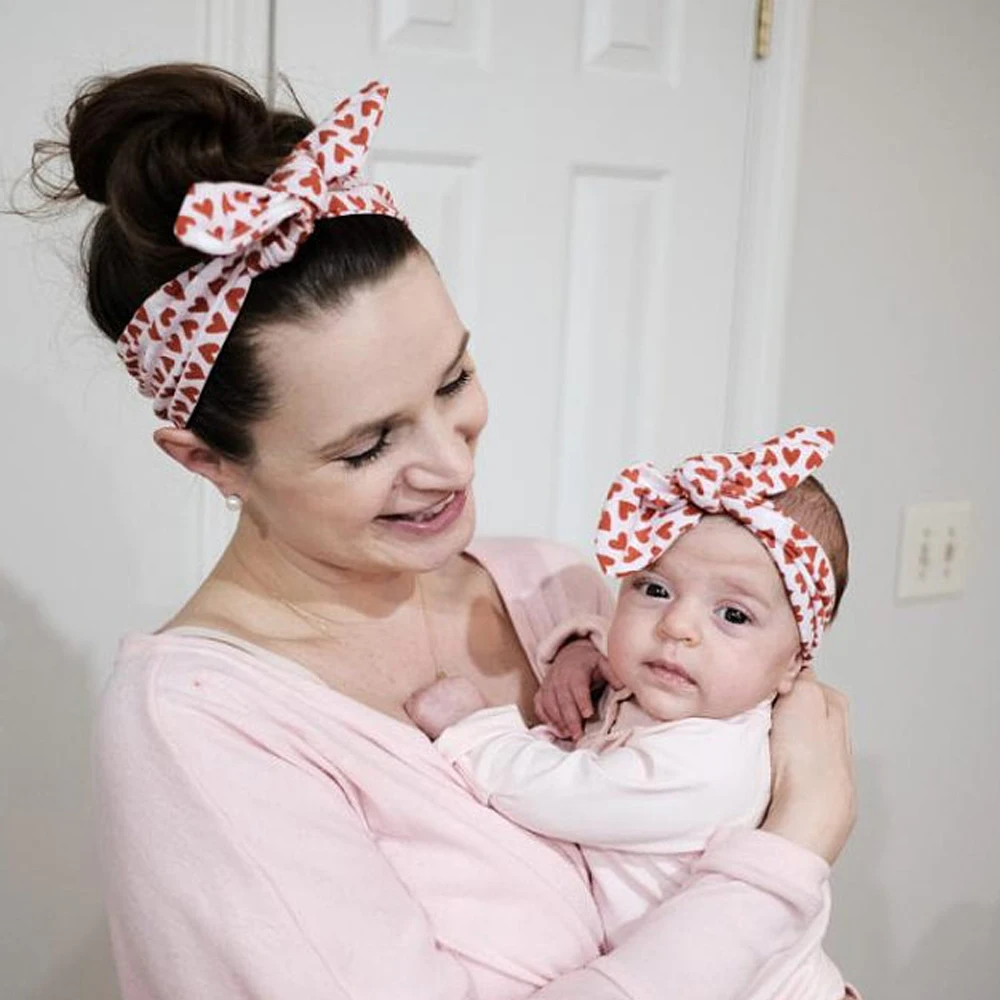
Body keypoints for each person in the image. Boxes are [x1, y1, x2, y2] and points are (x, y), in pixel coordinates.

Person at [33, 62, 856, 1000]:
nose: (452, 466)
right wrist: (797, 848)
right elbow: (771, 843)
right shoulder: (200, 730)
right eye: (367, 445)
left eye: (453, 381)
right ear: (207, 460)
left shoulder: (562, 591)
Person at [406, 428, 851, 998]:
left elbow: (561, 793)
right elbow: (612, 653)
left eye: (733, 616)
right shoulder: (677, 697)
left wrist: (473, 730)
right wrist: (578, 652)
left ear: (793, 665)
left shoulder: (712, 765)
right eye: (655, 588)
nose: (677, 627)